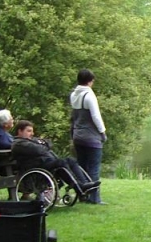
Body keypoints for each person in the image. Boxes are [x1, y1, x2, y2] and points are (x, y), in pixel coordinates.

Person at [11, 120, 99, 195]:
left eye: (32, 131)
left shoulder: (30, 141)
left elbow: (48, 142)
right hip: (34, 167)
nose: (32, 134)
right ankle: (79, 187)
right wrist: (43, 144)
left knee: (71, 160)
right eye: (29, 131)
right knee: (60, 162)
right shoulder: (19, 143)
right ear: (20, 131)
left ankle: (84, 184)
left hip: (44, 163)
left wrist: (44, 144)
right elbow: (40, 150)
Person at [70, 69, 106, 204]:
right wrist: (102, 131)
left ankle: (82, 196)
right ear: (90, 81)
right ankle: (95, 198)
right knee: (94, 168)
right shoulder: (89, 96)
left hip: (77, 136)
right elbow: (96, 116)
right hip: (91, 137)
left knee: (82, 168)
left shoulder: (73, 95)